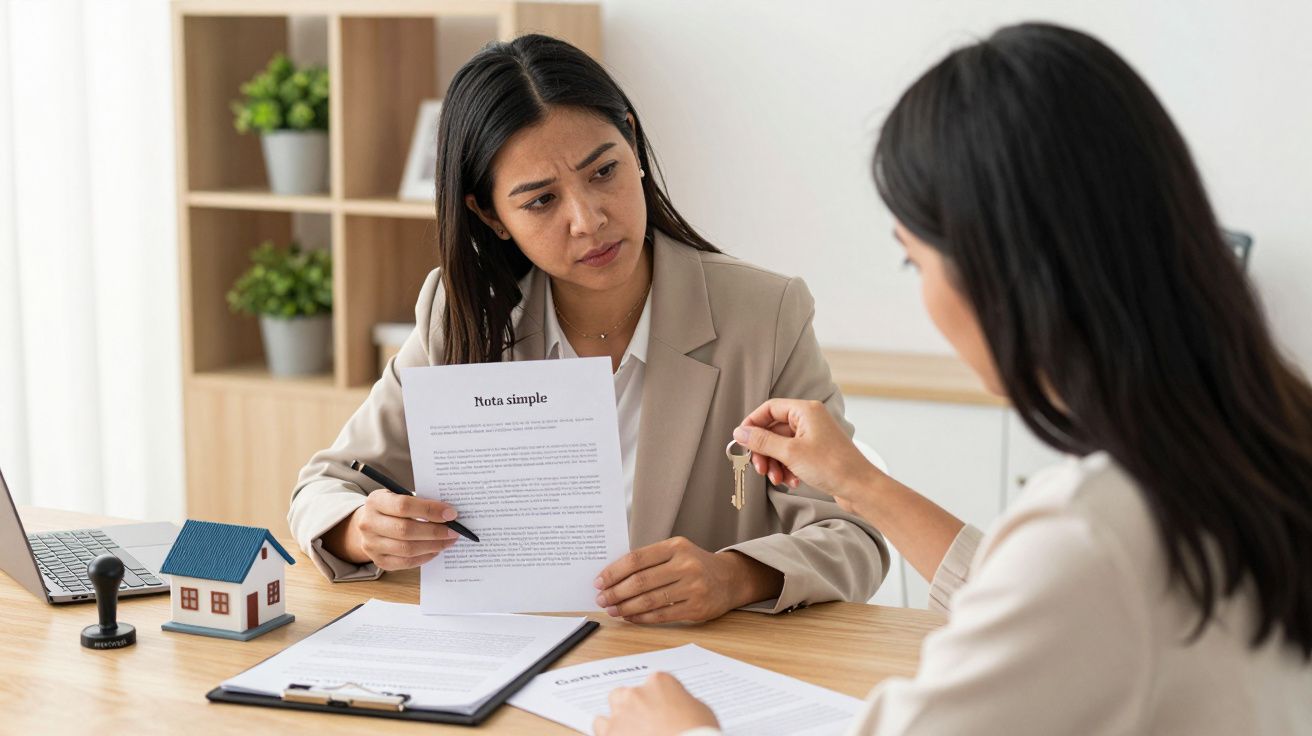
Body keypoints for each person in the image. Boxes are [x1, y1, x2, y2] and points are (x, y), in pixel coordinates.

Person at [597, 22, 1312, 735]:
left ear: (998, 269)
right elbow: (1040, 605)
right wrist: (858, 483)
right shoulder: (1261, 436)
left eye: (915, 260)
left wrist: (680, 733)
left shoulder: (1094, 532)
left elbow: (1056, 589)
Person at [287, 34, 887, 622]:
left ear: (632, 141)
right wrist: (361, 530)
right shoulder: (462, 313)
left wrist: (733, 576)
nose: (589, 219)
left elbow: (854, 535)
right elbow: (326, 485)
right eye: (542, 201)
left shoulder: (764, 313)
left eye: (603, 172)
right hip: (511, 658)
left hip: (687, 672)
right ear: (491, 216)